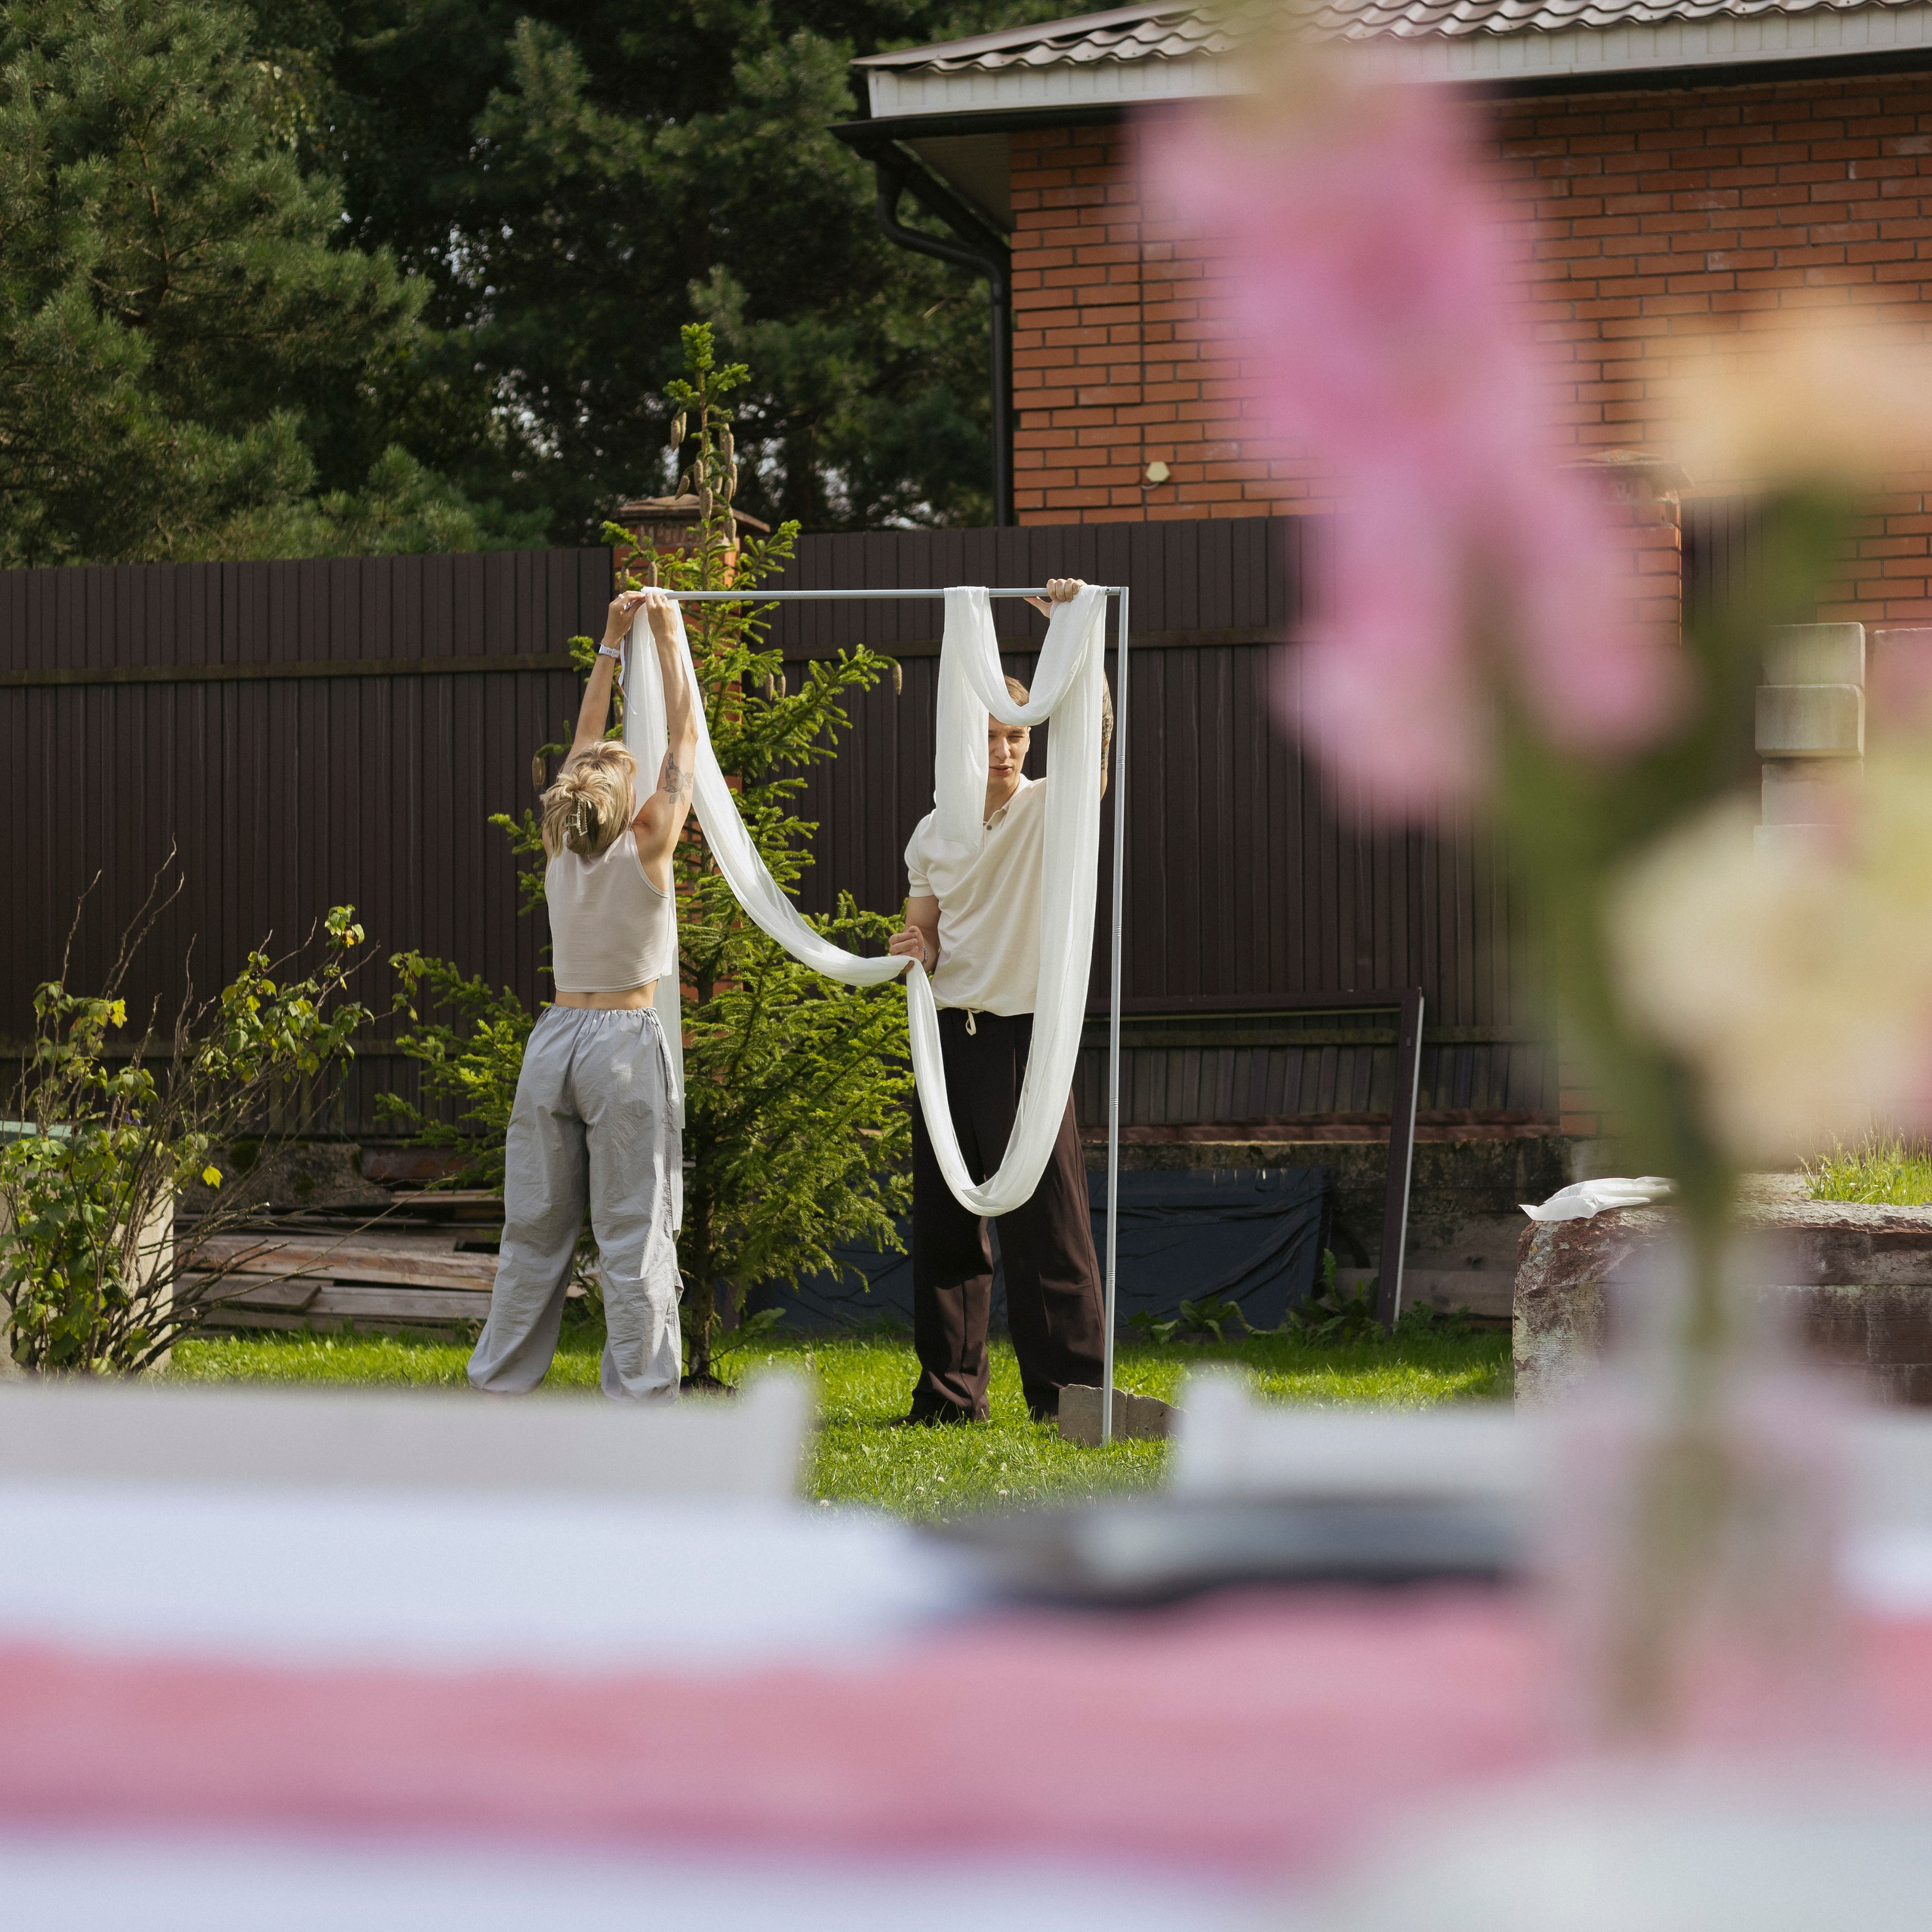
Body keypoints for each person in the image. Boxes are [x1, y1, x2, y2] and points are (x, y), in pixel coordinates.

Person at [885, 577, 1110, 1425]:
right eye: (988, 736)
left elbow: (1092, 742)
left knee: (1048, 1228)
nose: (1007, 750)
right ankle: (947, 1397)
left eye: (1015, 735)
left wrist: (1074, 638)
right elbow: (926, 934)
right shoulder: (933, 831)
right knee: (946, 1228)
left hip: (1023, 1039)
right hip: (948, 1037)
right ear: (962, 745)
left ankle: (1071, 1398)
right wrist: (915, 948)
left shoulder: (1054, 810)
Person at [469, 586, 697, 1401]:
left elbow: (584, 747)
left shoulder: (560, 841)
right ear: (624, 798)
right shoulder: (648, 843)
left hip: (554, 1040)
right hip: (624, 1046)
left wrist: (610, 636)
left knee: (533, 1229)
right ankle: (640, 1402)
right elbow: (685, 741)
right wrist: (670, 641)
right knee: (633, 1235)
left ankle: (498, 1387)